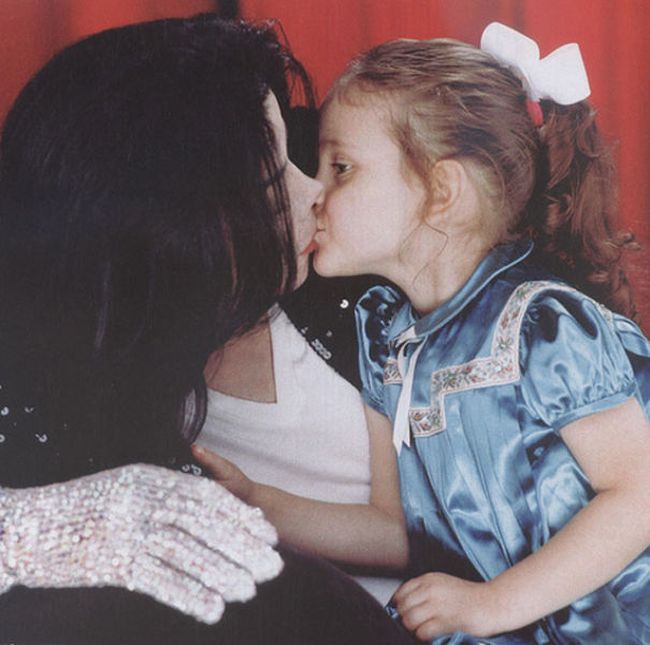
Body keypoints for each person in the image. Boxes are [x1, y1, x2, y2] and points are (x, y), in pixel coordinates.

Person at [0, 14, 418, 644]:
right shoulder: (57, 378)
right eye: (275, 176)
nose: (315, 191)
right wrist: (29, 530)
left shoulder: (353, 285)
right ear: (181, 221)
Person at [306, 21, 650, 643]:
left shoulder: (544, 325)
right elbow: (396, 531)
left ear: (442, 191)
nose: (313, 193)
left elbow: (639, 496)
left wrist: (495, 603)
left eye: (341, 168)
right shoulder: (386, 338)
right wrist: (255, 501)